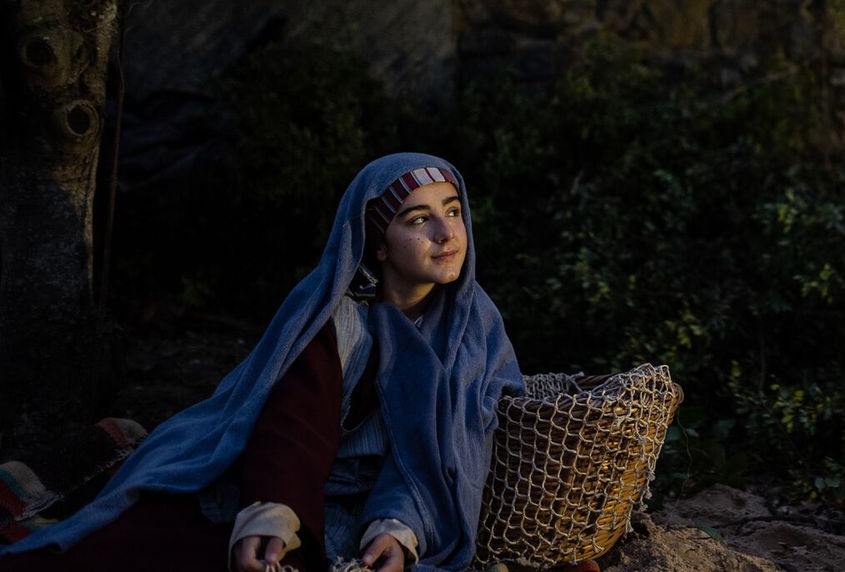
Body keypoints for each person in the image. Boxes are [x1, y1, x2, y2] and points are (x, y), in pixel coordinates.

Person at [0, 153, 525, 572]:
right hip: (298, 476)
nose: (446, 232)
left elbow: (466, 438)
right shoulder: (333, 317)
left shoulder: (474, 325)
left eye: (453, 210)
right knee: (191, 542)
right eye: (419, 219)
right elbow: (294, 423)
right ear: (379, 245)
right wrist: (273, 511)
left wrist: (400, 525)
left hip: (402, 497)